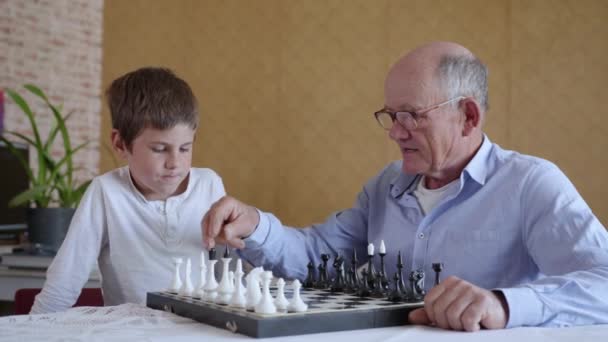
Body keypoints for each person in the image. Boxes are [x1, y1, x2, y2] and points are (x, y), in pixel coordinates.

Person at [202, 42, 608, 331]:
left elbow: (603, 282)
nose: (395, 133)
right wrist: (255, 225)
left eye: (411, 116)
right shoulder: (385, 185)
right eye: (390, 115)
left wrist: (504, 304)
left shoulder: (530, 184)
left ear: (467, 116)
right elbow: (316, 257)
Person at [32, 67, 226, 313]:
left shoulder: (209, 184)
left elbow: (229, 269)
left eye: (185, 148)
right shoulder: (105, 192)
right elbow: (65, 280)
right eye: (159, 149)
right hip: (130, 333)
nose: (175, 163)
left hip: (201, 332)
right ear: (120, 143)